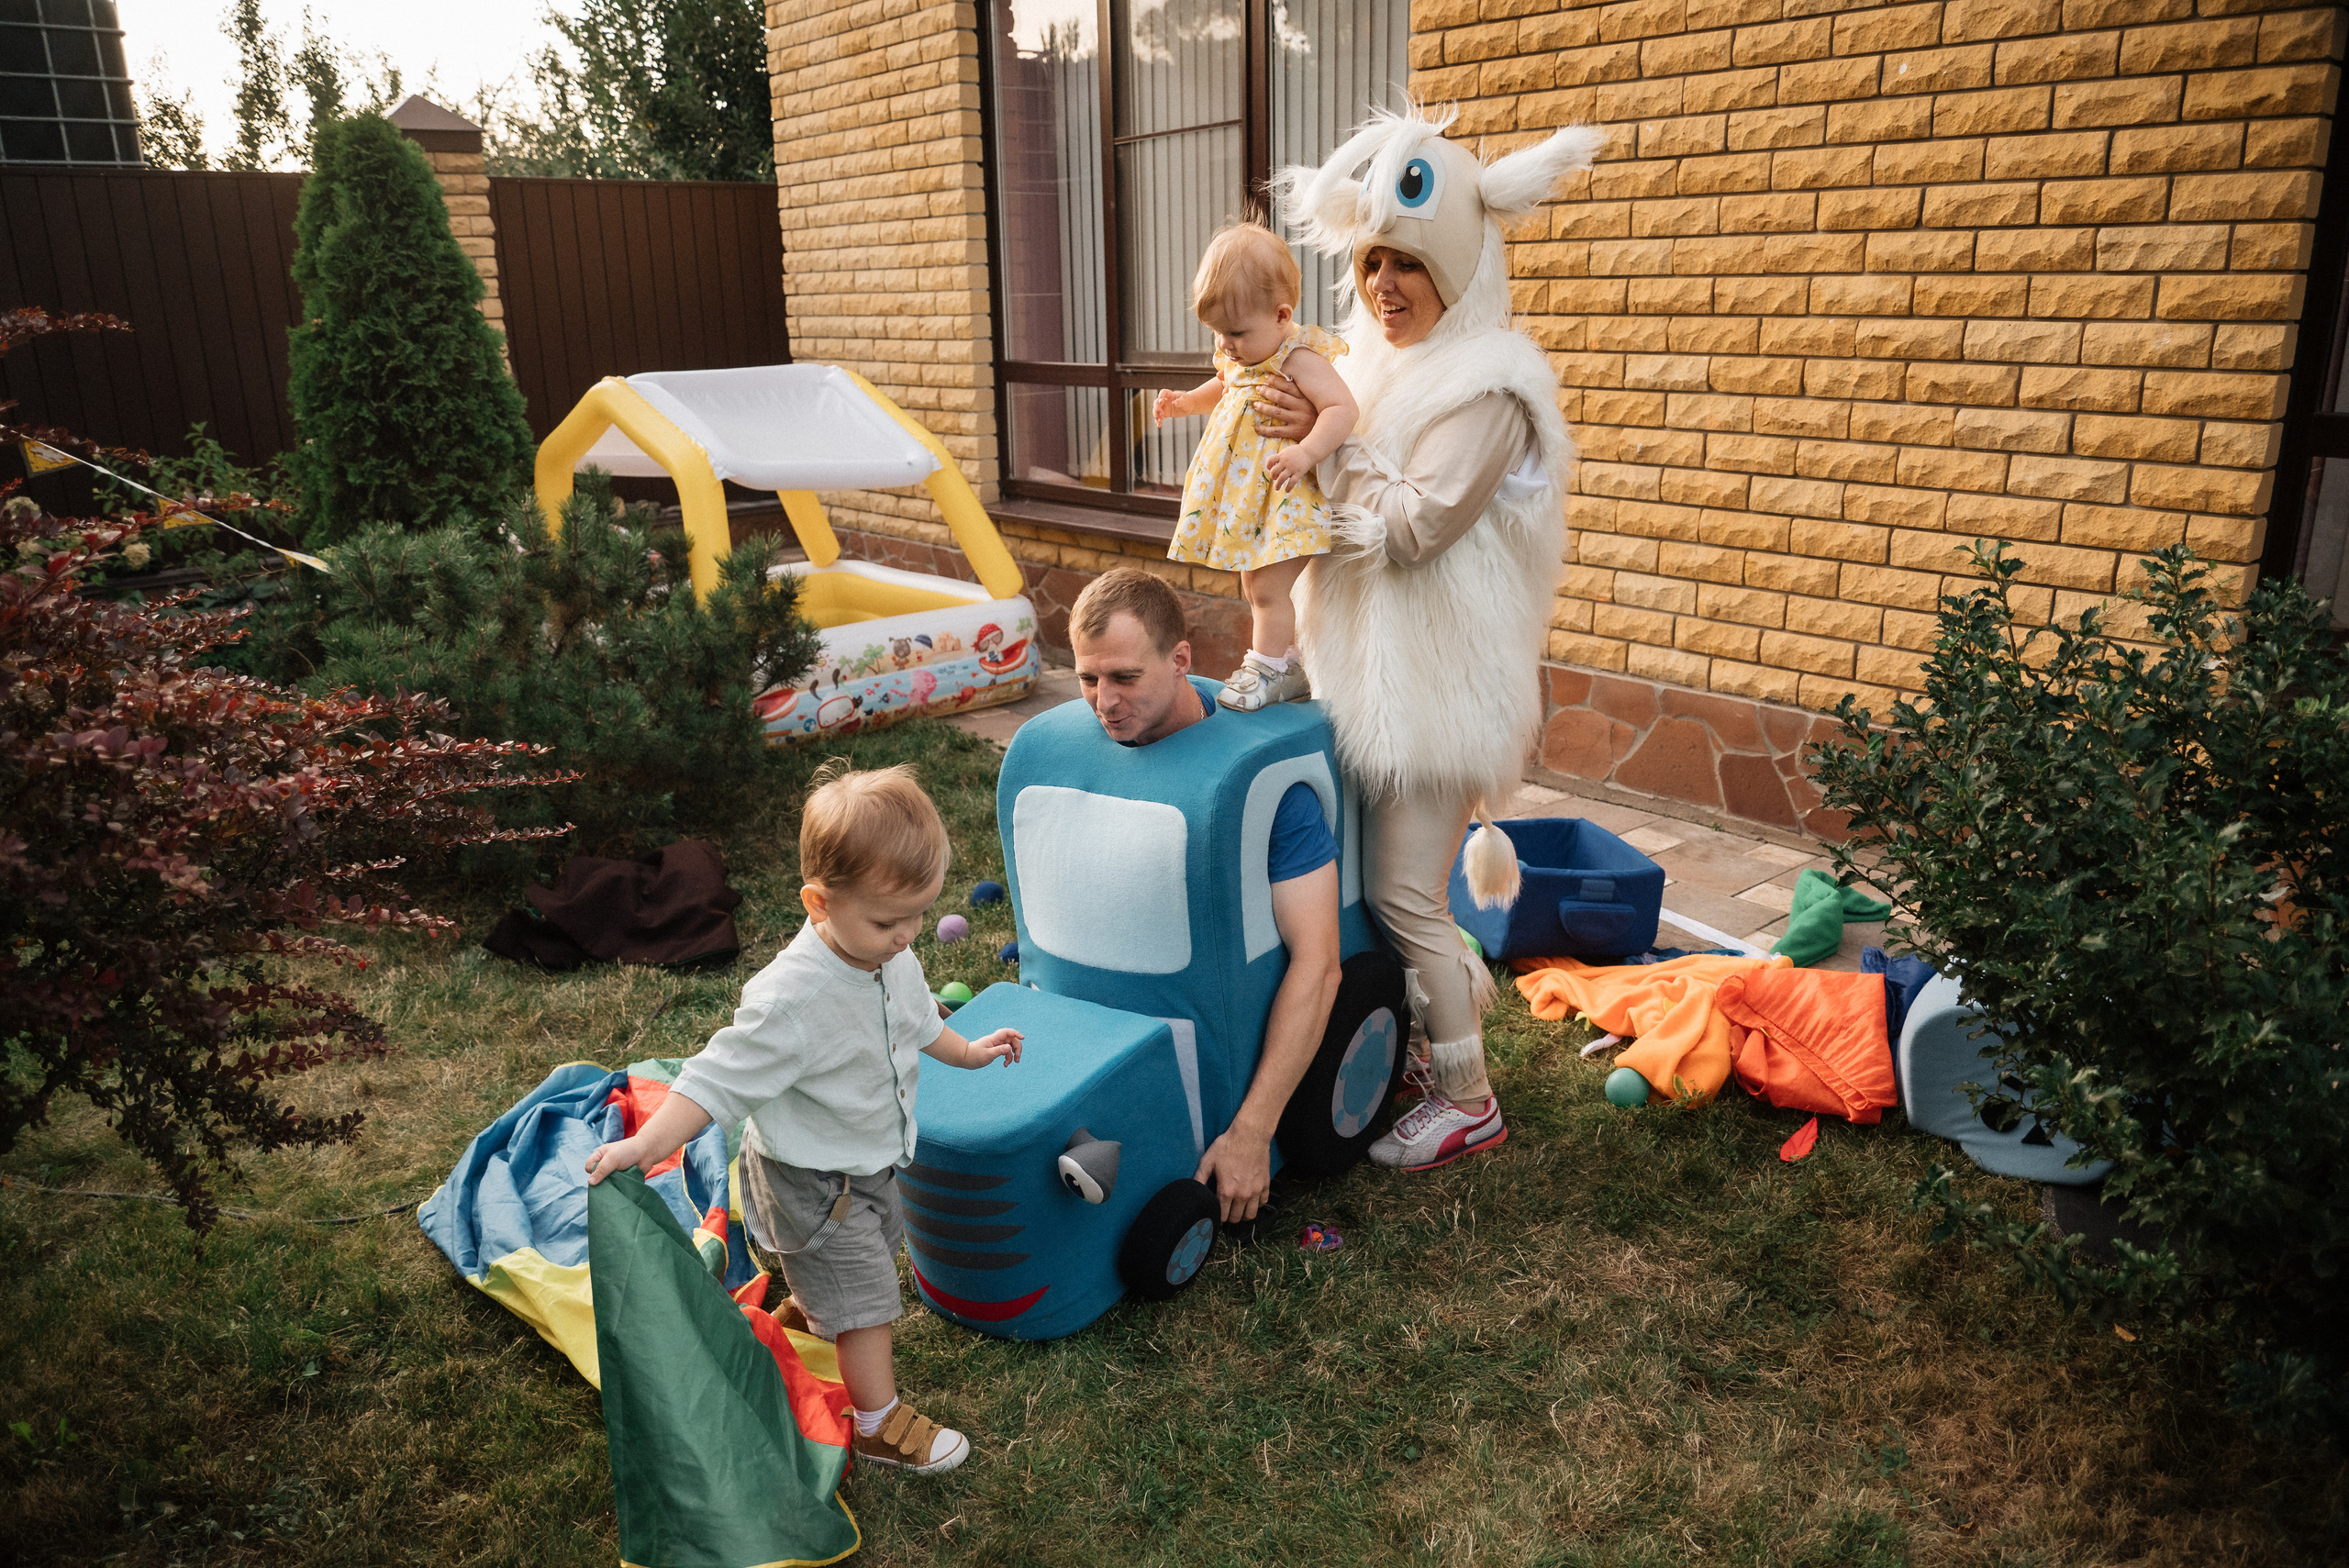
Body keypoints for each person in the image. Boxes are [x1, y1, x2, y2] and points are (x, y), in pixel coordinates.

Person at [1253, 105, 1604, 1172]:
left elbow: (1412, 529)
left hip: (1437, 693)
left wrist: (1333, 444)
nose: (1383, 288)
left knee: (1407, 892)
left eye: (1407, 262)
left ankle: (1469, 1096)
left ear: (1455, 263)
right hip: (1366, 679)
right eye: (1369, 264)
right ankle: (1426, 1030)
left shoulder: (1491, 386)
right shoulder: (1370, 364)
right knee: (1384, 886)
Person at [582, 762, 1024, 1477]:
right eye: (889, 919)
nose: (909, 934)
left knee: (872, 1259)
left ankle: (818, 1311)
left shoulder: (889, 951)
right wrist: (647, 1142)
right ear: (818, 903)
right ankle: (879, 1424)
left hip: (870, 1161)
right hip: (812, 1183)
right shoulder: (791, 999)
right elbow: (714, 1079)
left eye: (920, 912)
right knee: (871, 1302)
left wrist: (969, 1050)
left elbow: (916, 1022)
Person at [1065, 567, 1341, 1224]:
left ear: (1181, 659)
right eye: (1087, 678)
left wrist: (1252, 1132)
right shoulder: (1078, 756)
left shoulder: (1267, 789)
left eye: (1125, 677)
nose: (1104, 702)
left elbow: (1320, 963)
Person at [1154, 219, 1358, 714]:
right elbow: (1221, 385)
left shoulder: (1296, 356)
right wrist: (1183, 404)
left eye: (1236, 333)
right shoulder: (1242, 356)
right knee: (1253, 584)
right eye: (1218, 333)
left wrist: (1306, 451)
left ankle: (1271, 667)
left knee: (1267, 586)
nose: (1226, 345)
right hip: (1252, 501)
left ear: (1282, 314)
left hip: (1284, 494)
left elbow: (1342, 409)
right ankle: (1279, 662)